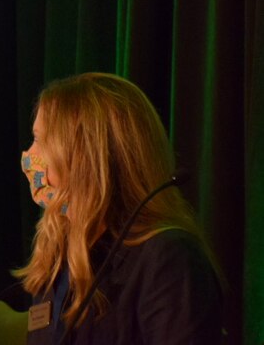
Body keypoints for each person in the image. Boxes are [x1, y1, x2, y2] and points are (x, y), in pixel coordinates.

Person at [15, 72, 223, 343]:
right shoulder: (55, 253)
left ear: (86, 155)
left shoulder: (167, 257)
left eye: (41, 141)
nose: (30, 156)